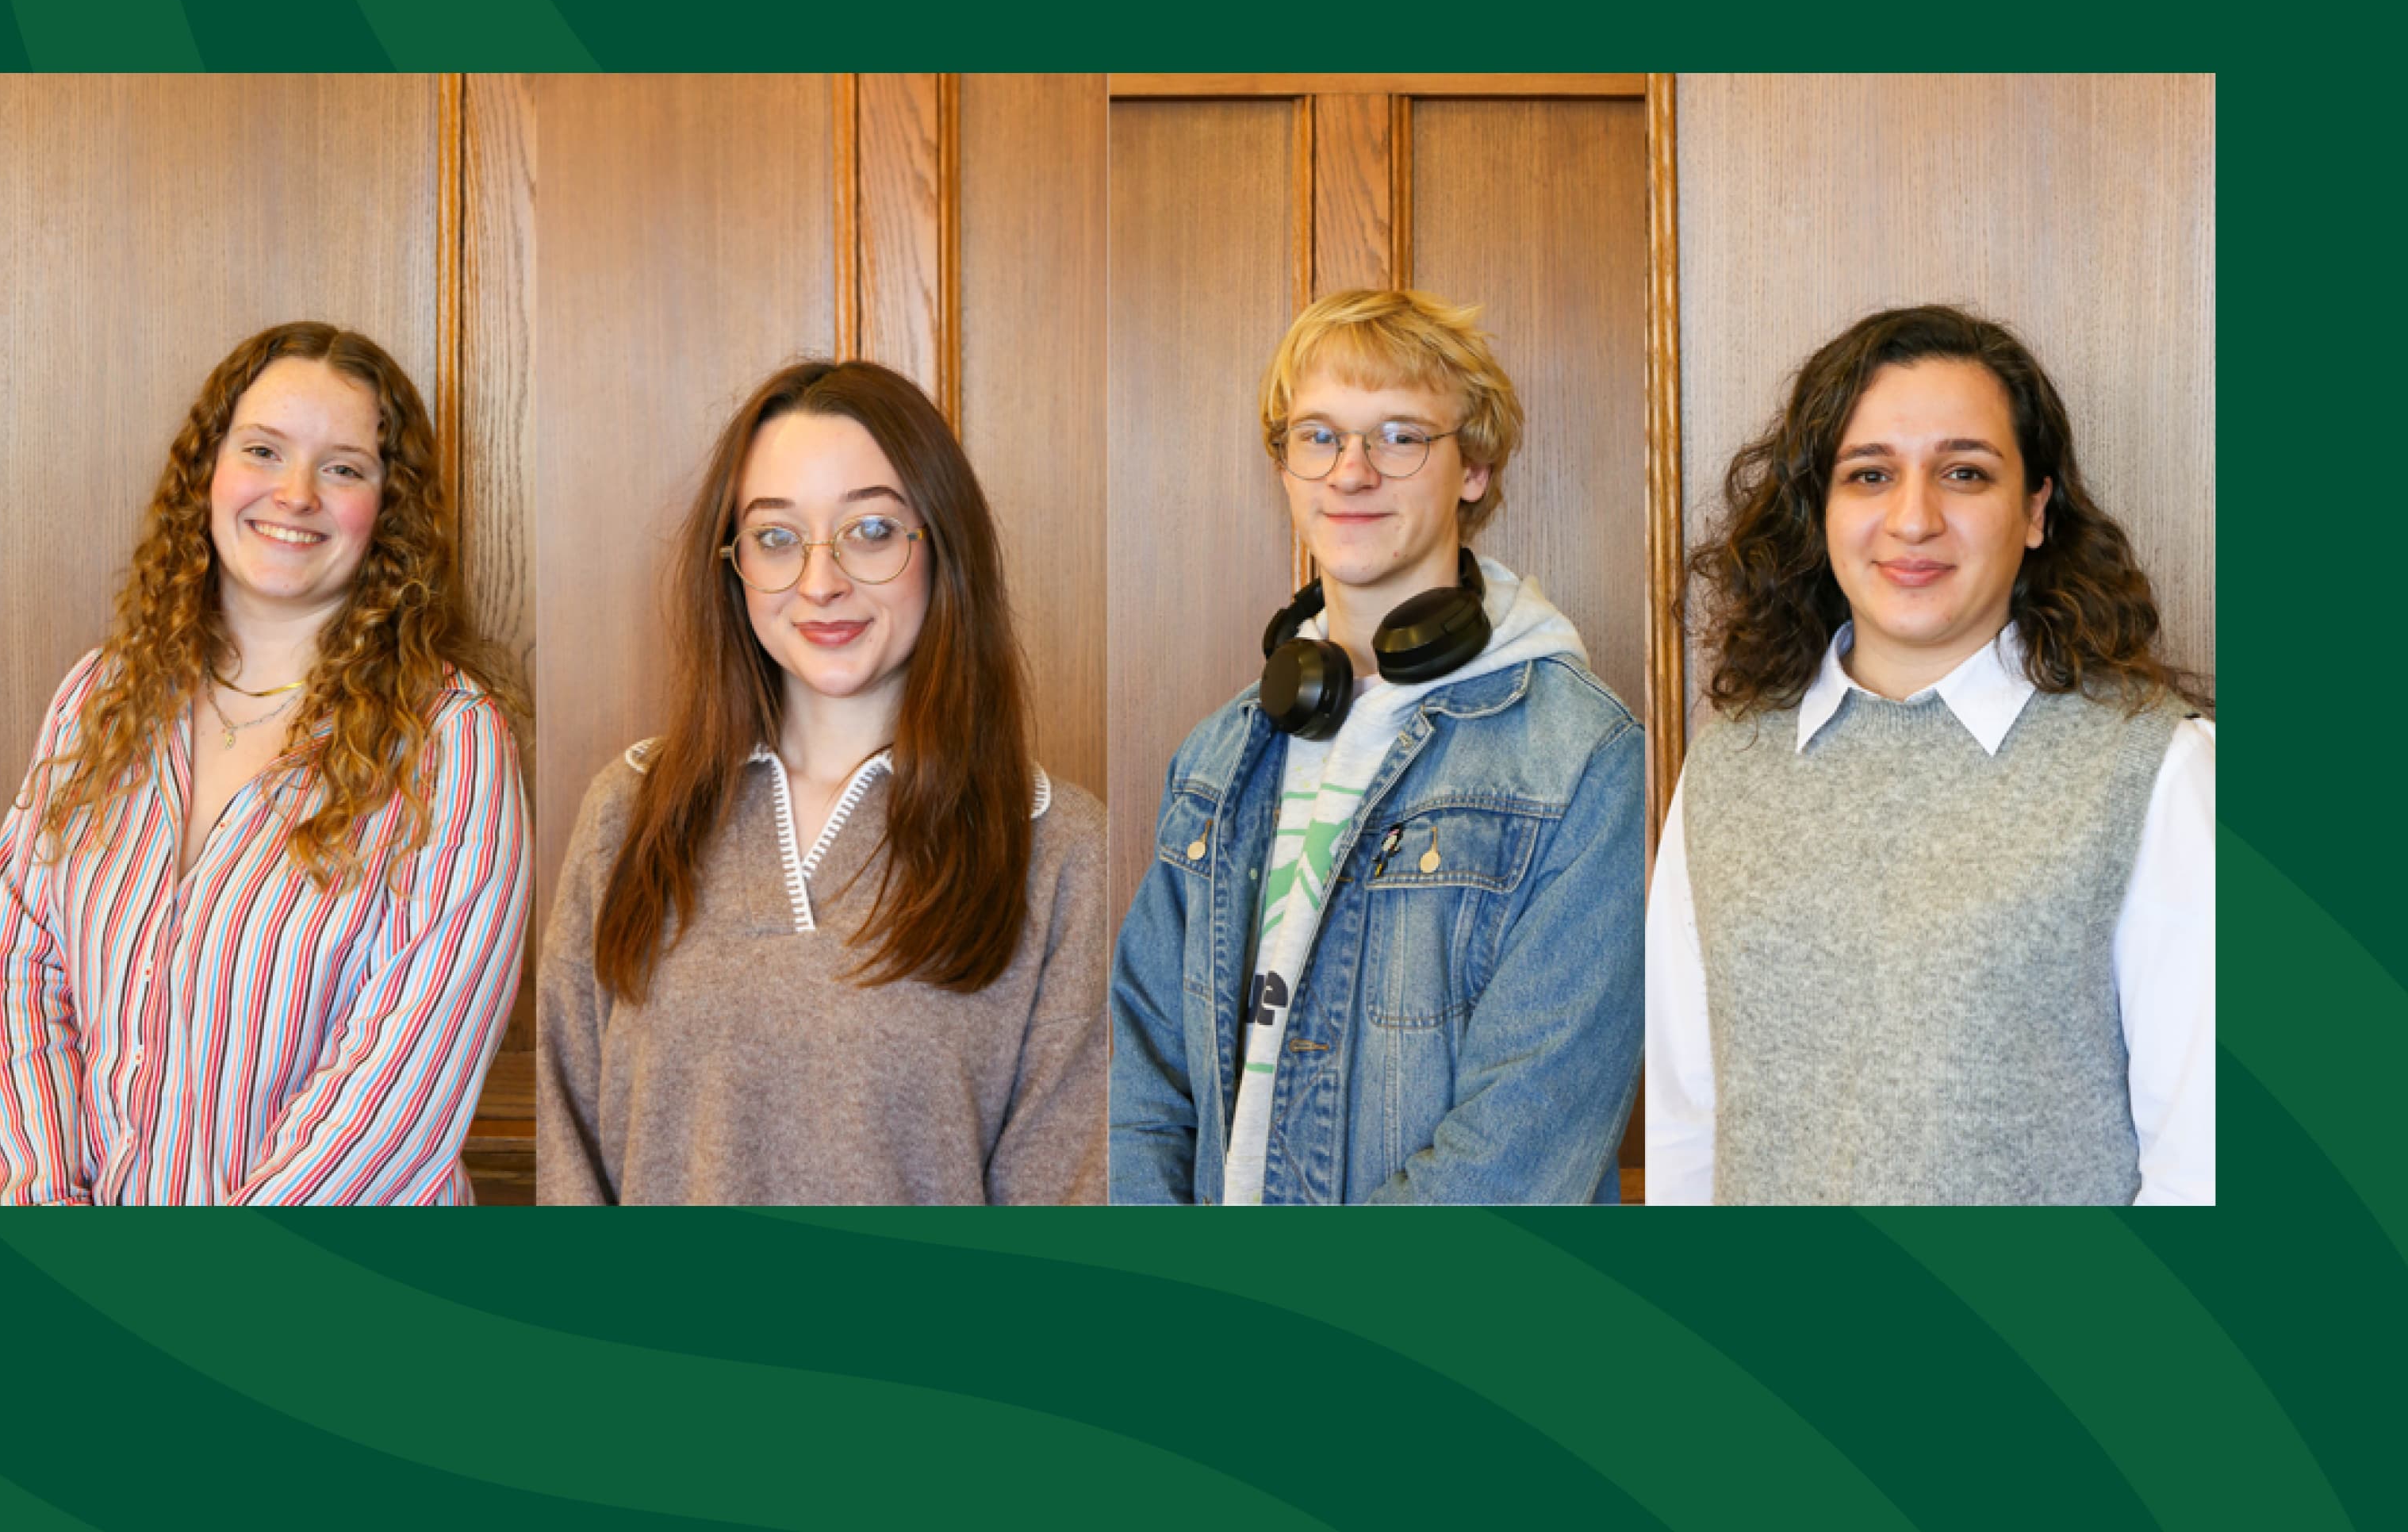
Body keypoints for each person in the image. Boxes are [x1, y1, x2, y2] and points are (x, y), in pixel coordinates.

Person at [1648, 305, 2214, 1206]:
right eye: (1869, 475)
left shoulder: (2151, 767)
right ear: (1818, 512)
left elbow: (2201, 1159)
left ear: (2035, 511)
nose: (1913, 520)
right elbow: (1688, 1118)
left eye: (1964, 472)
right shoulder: (1729, 767)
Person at [0, 322, 527, 1205]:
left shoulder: (447, 741)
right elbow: (16, 969)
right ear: (209, 472)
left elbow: (399, 1092)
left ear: (388, 508)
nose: (295, 493)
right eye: (263, 450)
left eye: (343, 467)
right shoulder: (100, 697)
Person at [1110, 290, 1646, 1205]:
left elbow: (1523, 1141)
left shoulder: (1578, 755)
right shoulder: (1216, 756)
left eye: (1398, 437)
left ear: (1472, 467)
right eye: (1317, 436)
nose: (1349, 473)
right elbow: (1137, 1083)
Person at [537, 360, 1106, 1204]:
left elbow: (1065, 1197)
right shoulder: (628, 813)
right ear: (731, 566)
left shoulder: (1056, 845)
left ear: (940, 546)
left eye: (870, 531)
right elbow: (569, 1151)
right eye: (775, 538)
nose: (819, 581)